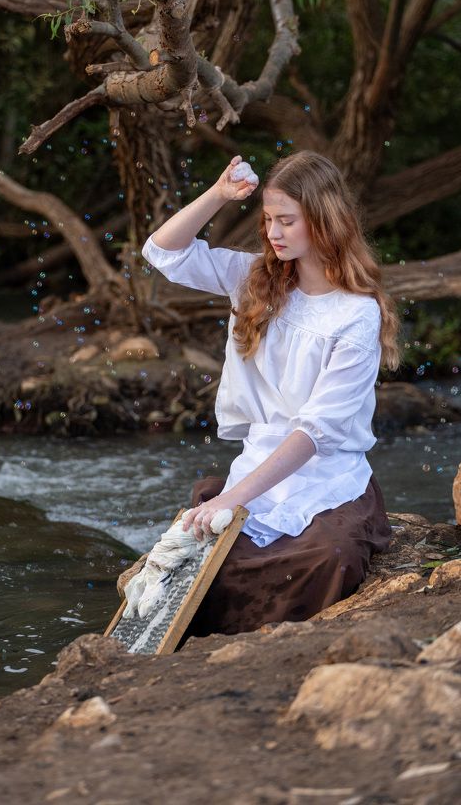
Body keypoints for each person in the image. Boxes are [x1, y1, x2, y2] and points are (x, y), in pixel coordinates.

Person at [141, 150, 400, 636]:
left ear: (324, 222)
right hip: (259, 460)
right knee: (210, 560)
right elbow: (163, 252)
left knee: (329, 557)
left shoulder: (355, 314)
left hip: (327, 471)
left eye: (287, 220)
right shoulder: (254, 278)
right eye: (267, 220)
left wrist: (231, 499)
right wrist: (219, 194)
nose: (273, 233)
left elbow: (316, 431)